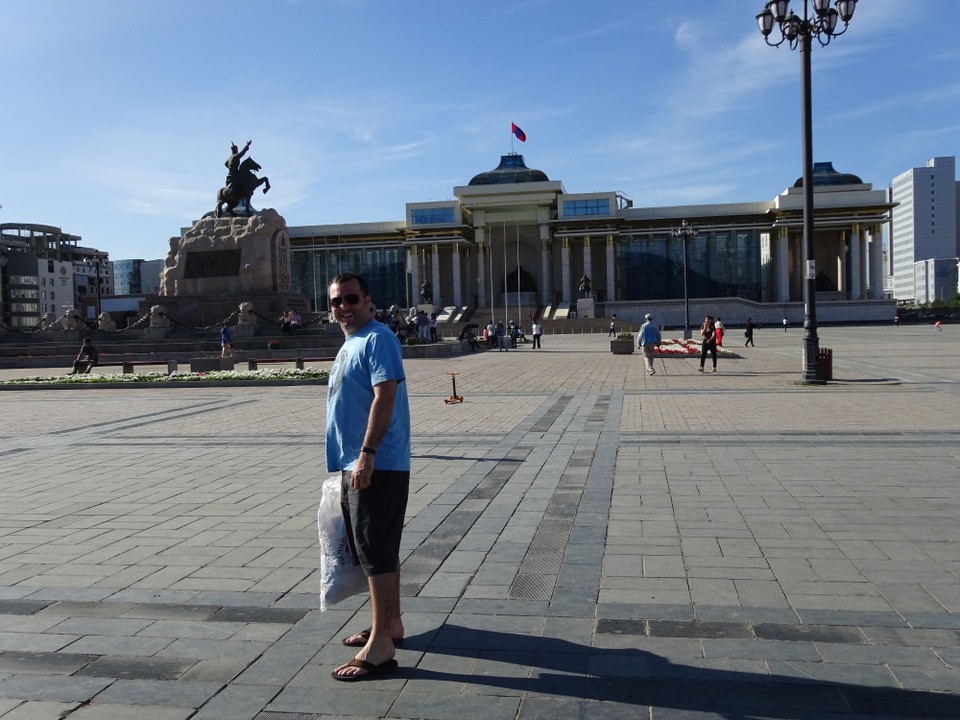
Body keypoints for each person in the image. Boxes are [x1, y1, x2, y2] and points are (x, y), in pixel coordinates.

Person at [326, 272, 410, 682]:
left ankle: (381, 646)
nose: (342, 306)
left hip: (377, 462)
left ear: (368, 300)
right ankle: (389, 625)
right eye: (335, 301)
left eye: (350, 298)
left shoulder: (377, 338)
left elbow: (386, 394)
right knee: (377, 548)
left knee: (374, 551)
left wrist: (367, 454)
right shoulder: (351, 342)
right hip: (357, 461)